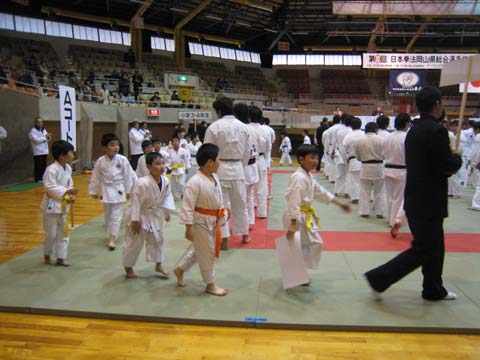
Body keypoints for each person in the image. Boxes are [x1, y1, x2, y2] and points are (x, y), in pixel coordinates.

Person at [365, 86, 462, 301]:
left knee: (434, 248)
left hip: (417, 196)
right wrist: (457, 158)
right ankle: (378, 278)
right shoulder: (435, 131)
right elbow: (444, 165)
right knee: (424, 249)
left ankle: (433, 288)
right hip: (429, 199)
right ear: (437, 104)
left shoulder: (415, 129)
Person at [284, 144, 351, 279]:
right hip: (296, 215)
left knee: (312, 244)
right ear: (301, 160)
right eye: (312, 158)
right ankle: (296, 274)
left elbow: (320, 191)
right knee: (301, 245)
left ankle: (297, 273)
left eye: (317, 158)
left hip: (305, 214)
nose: (316, 161)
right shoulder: (298, 177)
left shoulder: (307, 175)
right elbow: (294, 199)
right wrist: (292, 223)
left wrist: (339, 203)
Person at [174, 143, 229, 296]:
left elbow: (219, 199)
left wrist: (222, 216)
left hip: (213, 219)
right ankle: (210, 284)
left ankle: (180, 269)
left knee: (200, 250)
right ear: (210, 162)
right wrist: (188, 228)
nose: (220, 162)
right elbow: (187, 206)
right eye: (218, 159)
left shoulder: (214, 177)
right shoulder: (194, 182)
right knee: (207, 253)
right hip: (200, 221)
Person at [204, 97, 251, 248]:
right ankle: (244, 234)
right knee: (240, 202)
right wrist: (240, 165)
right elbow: (247, 152)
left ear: (218, 111)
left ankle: (224, 238)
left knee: (221, 204)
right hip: (238, 167)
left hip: (220, 168)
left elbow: (208, 151)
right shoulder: (244, 127)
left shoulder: (214, 127)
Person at [122, 152, 176, 279]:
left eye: (163, 163)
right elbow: (135, 202)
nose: (162, 166)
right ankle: (128, 267)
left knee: (158, 238)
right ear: (148, 166)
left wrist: (167, 211)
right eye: (157, 164)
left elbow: (166, 198)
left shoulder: (165, 180)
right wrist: (135, 220)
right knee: (135, 242)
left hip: (154, 214)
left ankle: (159, 264)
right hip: (140, 214)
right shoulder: (142, 183)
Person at [89, 133, 137, 250]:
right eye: (112, 145)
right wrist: (94, 190)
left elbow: (128, 176)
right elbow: (95, 176)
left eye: (117, 145)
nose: (116, 147)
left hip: (119, 188)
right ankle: (111, 234)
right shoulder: (100, 161)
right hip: (106, 189)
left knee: (116, 215)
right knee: (108, 215)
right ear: (105, 148)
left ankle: (112, 237)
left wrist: (129, 190)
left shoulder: (123, 159)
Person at [41, 140, 78, 267]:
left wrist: (71, 194)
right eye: (71, 152)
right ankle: (47, 254)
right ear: (62, 155)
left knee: (63, 232)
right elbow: (49, 187)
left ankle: (61, 257)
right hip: (51, 205)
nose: (73, 155)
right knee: (51, 234)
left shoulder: (67, 168)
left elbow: (70, 184)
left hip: (63, 204)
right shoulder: (51, 169)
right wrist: (67, 191)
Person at [383, 113, 411, 238]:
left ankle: (390, 218)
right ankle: (395, 221)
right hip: (401, 170)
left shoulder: (388, 137)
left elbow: (383, 153)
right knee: (399, 198)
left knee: (390, 196)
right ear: (406, 123)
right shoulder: (407, 137)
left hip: (388, 168)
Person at [234, 102, 259, 227]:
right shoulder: (254, 129)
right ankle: (250, 221)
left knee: (241, 199)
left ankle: (242, 225)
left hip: (244, 166)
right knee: (249, 197)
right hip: (254, 165)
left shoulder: (240, 129)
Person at [355, 122, 385, 219]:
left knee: (365, 191)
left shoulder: (359, 141)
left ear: (365, 130)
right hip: (379, 167)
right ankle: (380, 212)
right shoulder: (382, 140)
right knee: (379, 191)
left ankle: (364, 211)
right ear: (376, 130)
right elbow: (385, 155)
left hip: (365, 167)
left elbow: (357, 157)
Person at [250, 105, 271, 219]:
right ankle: (262, 212)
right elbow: (268, 148)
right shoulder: (265, 130)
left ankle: (250, 212)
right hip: (261, 159)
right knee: (261, 187)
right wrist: (268, 163)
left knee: (249, 187)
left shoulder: (245, 128)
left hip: (248, 160)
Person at [342, 117, 364, 204]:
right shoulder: (364, 134)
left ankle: (355, 198)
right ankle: (364, 197)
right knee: (364, 181)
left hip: (353, 160)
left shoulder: (348, 137)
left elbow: (343, 150)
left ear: (351, 126)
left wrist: (345, 159)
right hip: (364, 161)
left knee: (354, 180)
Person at [334, 114, 353, 197]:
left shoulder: (339, 131)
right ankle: (347, 192)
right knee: (348, 174)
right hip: (348, 153)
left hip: (339, 152)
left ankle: (336, 190)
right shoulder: (351, 131)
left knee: (339, 173)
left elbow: (336, 142)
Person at [166, 136, 190, 201]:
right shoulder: (169, 151)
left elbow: (187, 159)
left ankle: (183, 194)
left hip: (181, 169)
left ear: (179, 142)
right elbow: (167, 161)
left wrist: (187, 167)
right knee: (173, 184)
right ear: (171, 143)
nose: (175, 142)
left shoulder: (183, 151)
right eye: (173, 141)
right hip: (173, 169)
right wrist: (169, 168)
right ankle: (175, 197)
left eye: (176, 141)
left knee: (181, 184)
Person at [29, 117, 51, 182]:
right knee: (38, 165)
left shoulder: (43, 129)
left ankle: (43, 178)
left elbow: (48, 137)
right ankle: (38, 178)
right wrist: (45, 138)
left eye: (41, 122)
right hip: (38, 151)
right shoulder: (33, 131)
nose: (40, 123)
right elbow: (36, 140)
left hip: (44, 150)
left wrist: (48, 137)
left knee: (43, 165)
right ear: (36, 123)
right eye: (39, 122)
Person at [447, 120, 464, 199]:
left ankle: (457, 193)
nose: (453, 128)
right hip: (452, 155)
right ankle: (451, 192)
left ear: (458, 127)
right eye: (452, 126)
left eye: (454, 126)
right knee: (452, 178)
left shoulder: (461, 136)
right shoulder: (453, 135)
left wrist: (457, 152)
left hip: (459, 157)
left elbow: (462, 149)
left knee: (456, 177)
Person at [468, 122, 480, 211]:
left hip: (477, 162)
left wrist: (477, 161)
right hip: (476, 162)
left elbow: (477, 151)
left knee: (478, 184)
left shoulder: (479, 136)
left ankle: (476, 203)